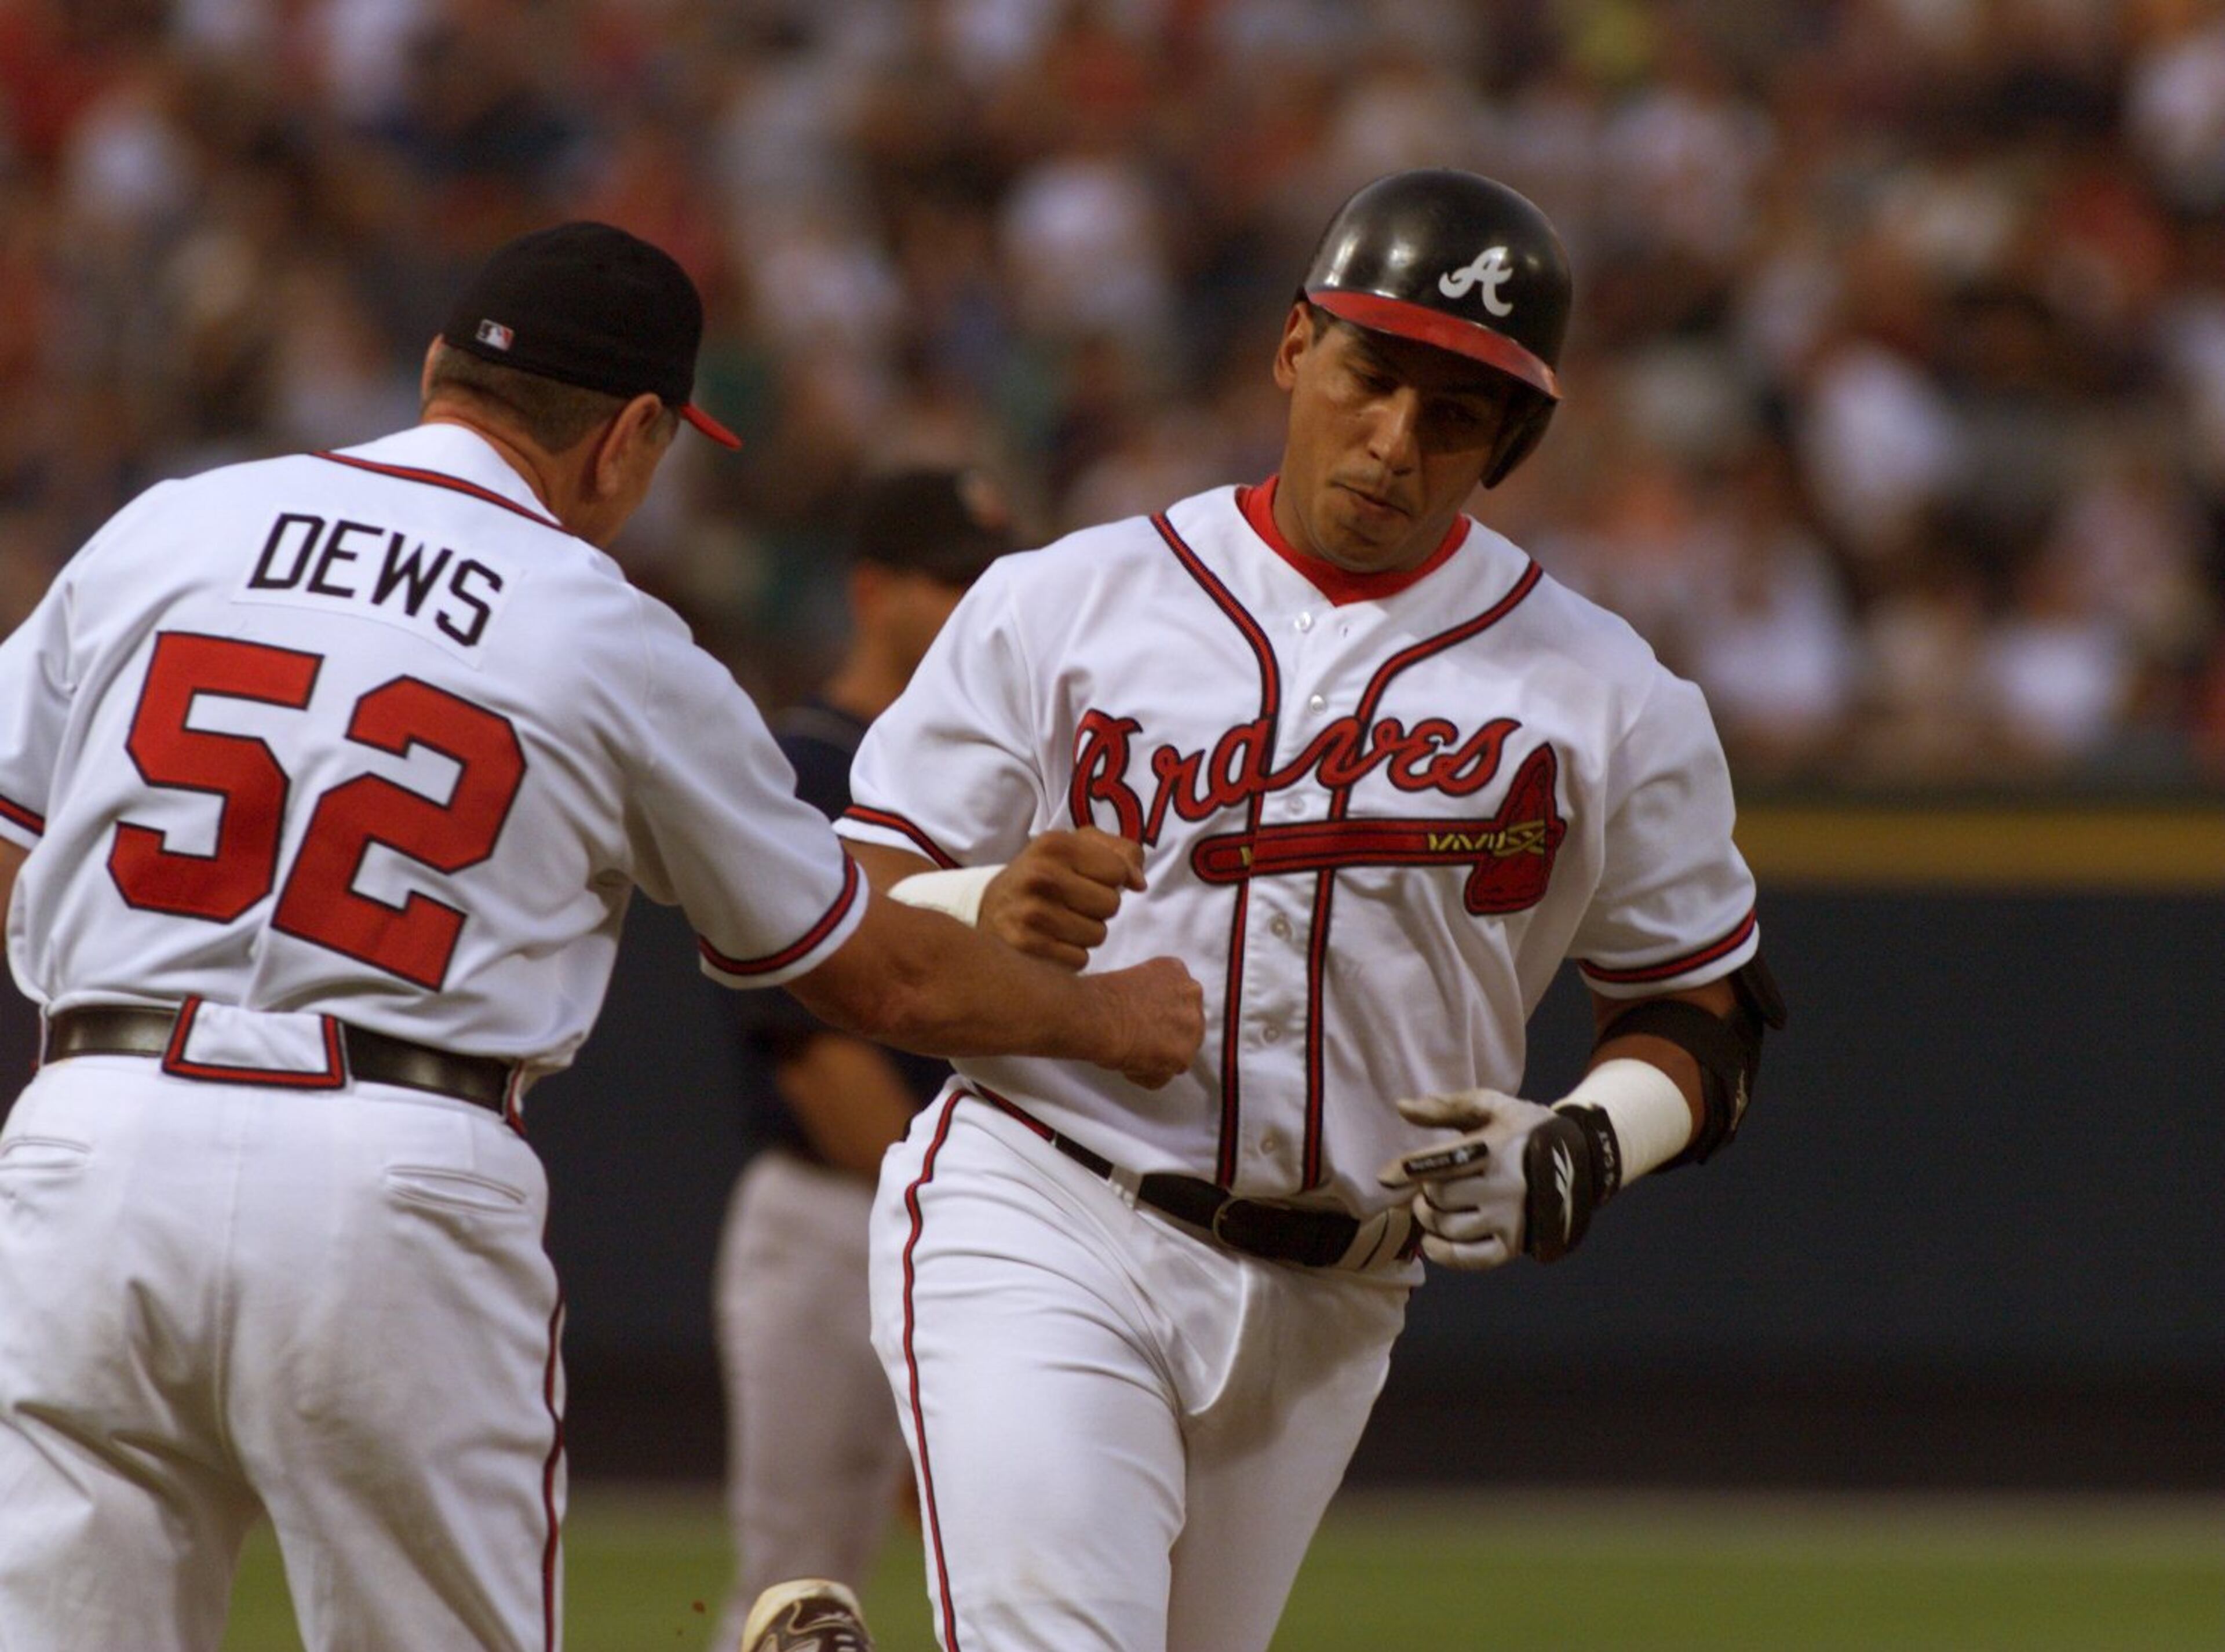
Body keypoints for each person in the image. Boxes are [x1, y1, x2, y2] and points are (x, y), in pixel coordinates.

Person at [0, 220, 1202, 1652]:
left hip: (89, 1143)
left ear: (440, 365)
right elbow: (864, 969)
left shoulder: (172, 524)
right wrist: (1107, 1017)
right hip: (391, 1166)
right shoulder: (605, 628)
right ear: (632, 435)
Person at [831, 169, 1788, 1652]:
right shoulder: (1064, 601)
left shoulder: (1610, 698)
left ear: (1513, 442)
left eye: (1456, 415)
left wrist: (1590, 1138)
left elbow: (1702, 1009)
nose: (1397, 441)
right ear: (1295, 349)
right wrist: (979, 892)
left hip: (1336, 1292)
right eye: (1372, 376)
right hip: (1048, 1199)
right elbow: (850, 909)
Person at [706, 466, 1022, 1649]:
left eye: (992, 577)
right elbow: (806, 1050)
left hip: (956, 1217)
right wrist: (956, 1226)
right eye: (951, 579)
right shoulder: (803, 764)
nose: (978, 602)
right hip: (840, 1215)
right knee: (796, 1592)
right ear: (872, 589)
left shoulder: (991, 773)